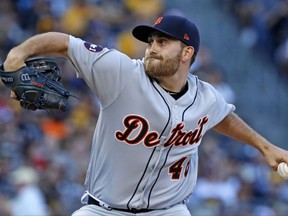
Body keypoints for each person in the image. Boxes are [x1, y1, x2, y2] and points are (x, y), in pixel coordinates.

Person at [2, 14, 288, 216]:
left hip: (169, 211)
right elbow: (65, 42)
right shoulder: (121, 72)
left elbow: (221, 116)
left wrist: (265, 146)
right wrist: (18, 53)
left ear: (187, 52)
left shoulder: (206, 96)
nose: (151, 48)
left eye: (162, 43)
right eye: (151, 41)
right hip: (103, 210)